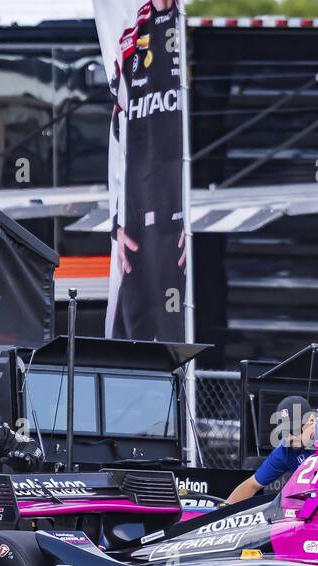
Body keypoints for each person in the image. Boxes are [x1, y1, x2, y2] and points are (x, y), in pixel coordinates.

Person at [108, 0, 186, 341]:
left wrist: (198, 215)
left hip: (180, 224)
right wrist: (117, 221)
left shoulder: (187, 25)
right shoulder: (131, 33)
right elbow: (120, 139)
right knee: (131, 341)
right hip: (137, 227)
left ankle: (190, 392)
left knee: (179, 335)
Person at [227, 395, 318, 504]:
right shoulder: (285, 450)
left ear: (312, 421)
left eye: (294, 430)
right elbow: (252, 485)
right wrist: (221, 512)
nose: (289, 437)